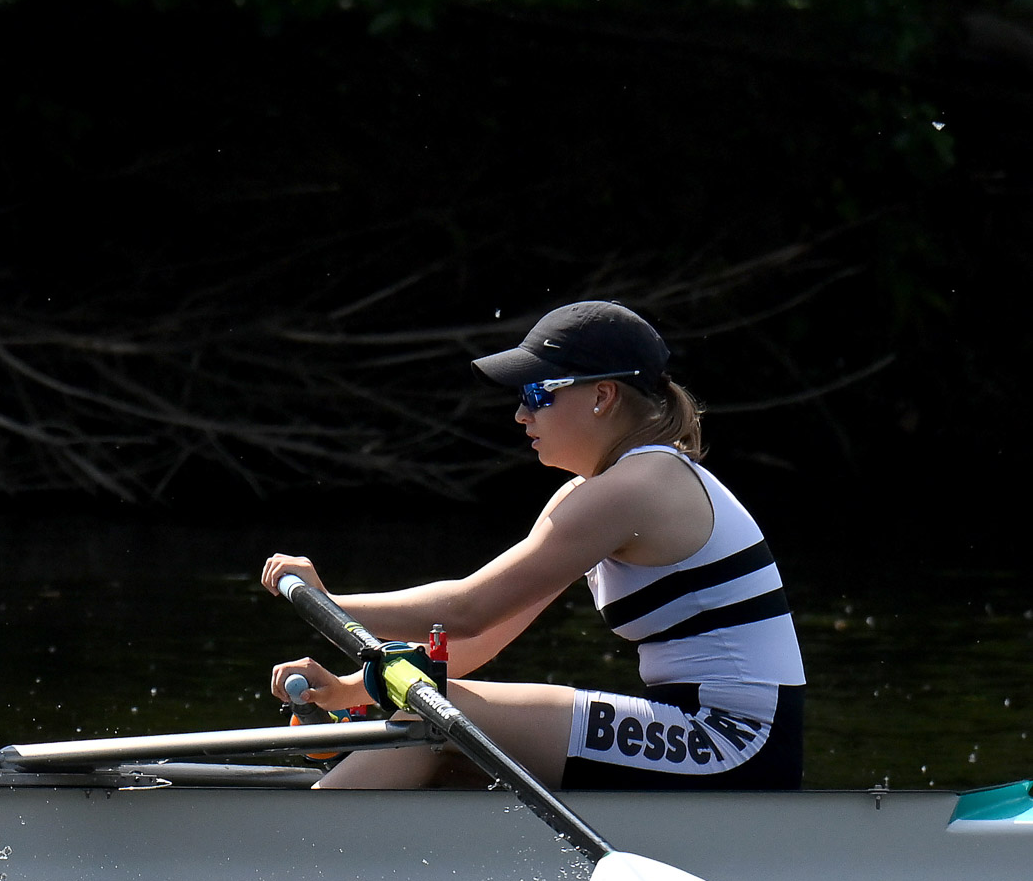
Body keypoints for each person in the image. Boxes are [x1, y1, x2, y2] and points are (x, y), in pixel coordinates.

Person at [261, 301, 805, 790]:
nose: (521, 414)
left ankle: (283, 868)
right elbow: (479, 639)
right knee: (444, 744)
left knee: (435, 716)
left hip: (735, 742)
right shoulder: (593, 493)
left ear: (603, 396)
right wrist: (349, 692)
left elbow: (467, 610)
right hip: (689, 727)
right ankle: (334, 867)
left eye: (537, 394)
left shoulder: (641, 487)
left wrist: (325, 598)